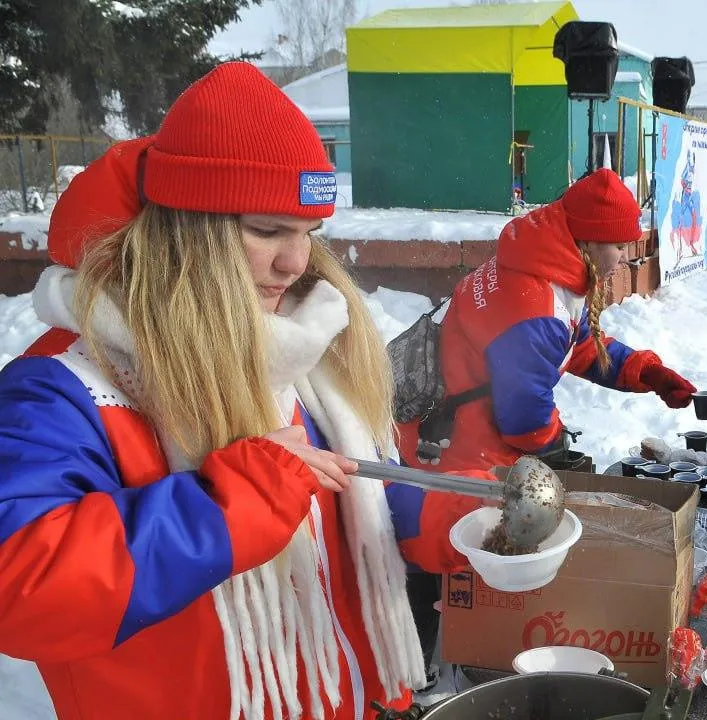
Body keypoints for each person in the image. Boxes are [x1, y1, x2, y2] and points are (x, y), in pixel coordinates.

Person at [0, 63, 484, 720]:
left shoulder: (302, 351)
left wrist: (467, 522)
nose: (297, 263)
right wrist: (230, 505)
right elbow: (22, 590)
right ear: (185, 231)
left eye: (309, 234)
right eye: (266, 231)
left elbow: (367, 492)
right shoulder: (66, 386)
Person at [404, 168, 697, 473]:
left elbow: (578, 346)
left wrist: (648, 372)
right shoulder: (536, 305)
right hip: (456, 454)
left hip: (454, 427)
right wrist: (556, 447)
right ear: (589, 242)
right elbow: (525, 416)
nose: (624, 258)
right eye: (620, 247)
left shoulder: (543, 267)